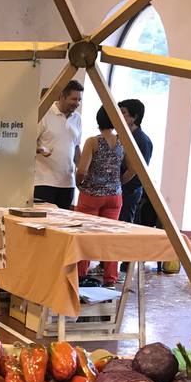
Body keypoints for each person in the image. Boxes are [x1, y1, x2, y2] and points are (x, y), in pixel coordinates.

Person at [75, 106, 126, 287]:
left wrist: (79, 183)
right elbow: (134, 169)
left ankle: (80, 274)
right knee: (110, 237)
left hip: (92, 195)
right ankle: (110, 279)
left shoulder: (93, 142)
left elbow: (82, 170)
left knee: (85, 235)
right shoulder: (122, 142)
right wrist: (119, 182)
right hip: (115, 196)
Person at [33, 80, 83, 209]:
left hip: (67, 183)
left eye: (79, 99)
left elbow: (76, 147)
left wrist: (83, 171)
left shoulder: (77, 118)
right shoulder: (43, 113)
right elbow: (26, 144)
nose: (77, 103)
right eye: (73, 99)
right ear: (62, 96)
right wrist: (40, 149)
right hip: (44, 181)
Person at [117, 98, 154, 225]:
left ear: (134, 117)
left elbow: (139, 172)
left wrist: (121, 185)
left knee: (123, 226)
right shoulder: (121, 136)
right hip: (119, 190)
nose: (119, 116)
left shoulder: (142, 140)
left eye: (123, 113)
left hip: (129, 192)